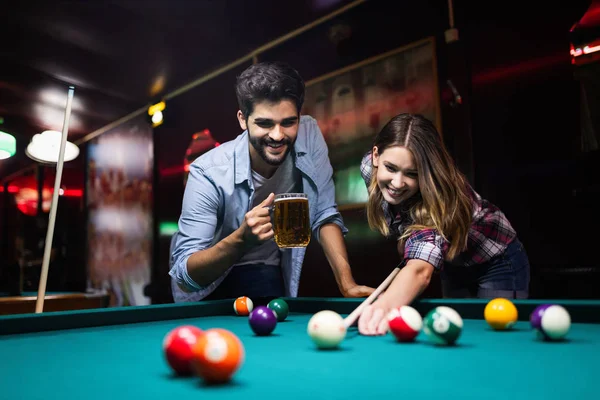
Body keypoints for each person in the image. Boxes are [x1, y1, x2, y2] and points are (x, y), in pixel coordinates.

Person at [169, 61, 374, 302]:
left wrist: (347, 284)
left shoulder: (309, 136)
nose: (277, 136)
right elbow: (185, 273)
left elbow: (324, 214)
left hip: (264, 270)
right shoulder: (207, 171)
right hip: (207, 284)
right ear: (243, 120)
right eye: (264, 123)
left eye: (288, 122)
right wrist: (241, 240)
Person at [357, 113, 530, 335]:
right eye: (391, 168)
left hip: (497, 261)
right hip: (453, 263)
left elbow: (419, 270)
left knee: (495, 334)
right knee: (455, 332)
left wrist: (384, 306)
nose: (397, 183)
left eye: (412, 173)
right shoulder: (367, 168)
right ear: (375, 155)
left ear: (426, 173)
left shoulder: (437, 204)